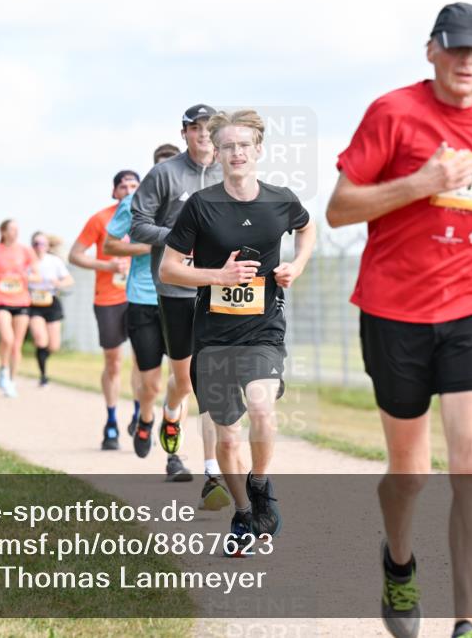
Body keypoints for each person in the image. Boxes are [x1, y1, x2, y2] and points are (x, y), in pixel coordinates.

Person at [325, 3, 472, 638]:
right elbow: (340, 208)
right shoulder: (393, 113)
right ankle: (399, 563)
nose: (468, 61)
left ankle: (468, 620)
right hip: (395, 310)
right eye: (457, 49)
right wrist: (421, 183)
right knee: (411, 473)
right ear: (432, 51)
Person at [160, 109, 315, 555]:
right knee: (227, 436)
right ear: (217, 152)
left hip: (263, 330)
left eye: (244, 145)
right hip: (212, 337)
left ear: (258, 150)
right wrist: (216, 276)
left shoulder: (280, 200)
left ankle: (261, 484)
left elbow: (307, 229)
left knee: (263, 410)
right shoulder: (201, 205)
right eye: (227, 146)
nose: (236, 153)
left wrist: (296, 265)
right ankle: (244, 513)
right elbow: (170, 268)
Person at [131, 104, 230, 510]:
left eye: (210, 127)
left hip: (219, 288)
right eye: (196, 128)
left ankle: (213, 470)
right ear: (185, 132)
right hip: (175, 291)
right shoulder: (165, 174)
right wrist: (179, 235)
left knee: (213, 378)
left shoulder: (230, 169)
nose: (204, 133)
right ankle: (171, 410)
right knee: (185, 380)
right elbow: (138, 224)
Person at [104, 145, 192, 481]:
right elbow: (110, 245)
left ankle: (175, 457)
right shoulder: (134, 203)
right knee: (152, 384)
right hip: (144, 298)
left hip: (183, 296)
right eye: (162, 170)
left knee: (181, 381)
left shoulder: (193, 200)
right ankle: (144, 418)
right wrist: (155, 244)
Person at [69, 170, 143, 451]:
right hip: (108, 297)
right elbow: (74, 254)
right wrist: (107, 266)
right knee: (113, 362)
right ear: (115, 192)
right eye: (123, 186)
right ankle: (111, 421)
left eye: (134, 185)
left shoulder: (149, 217)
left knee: (142, 361)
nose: (128, 190)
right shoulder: (101, 219)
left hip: (141, 297)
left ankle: (140, 416)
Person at [0, 219, 37, 398]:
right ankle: (3, 369)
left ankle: (11, 381)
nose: (15, 232)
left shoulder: (25, 251)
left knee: (17, 344)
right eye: (11, 229)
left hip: (21, 301)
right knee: (7, 338)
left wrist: (25, 276)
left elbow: (36, 275)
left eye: (17, 229)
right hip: (1, 300)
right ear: (3, 231)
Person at [27, 232, 74, 386]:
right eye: (36, 243)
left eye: (42, 243)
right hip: (33, 302)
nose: (39, 247)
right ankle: (43, 375)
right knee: (41, 339)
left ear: (47, 246)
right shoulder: (27, 262)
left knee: (54, 345)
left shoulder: (54, 261)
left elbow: (68, 279)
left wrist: (58, 283)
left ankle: (42, 360)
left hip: (51, 301)